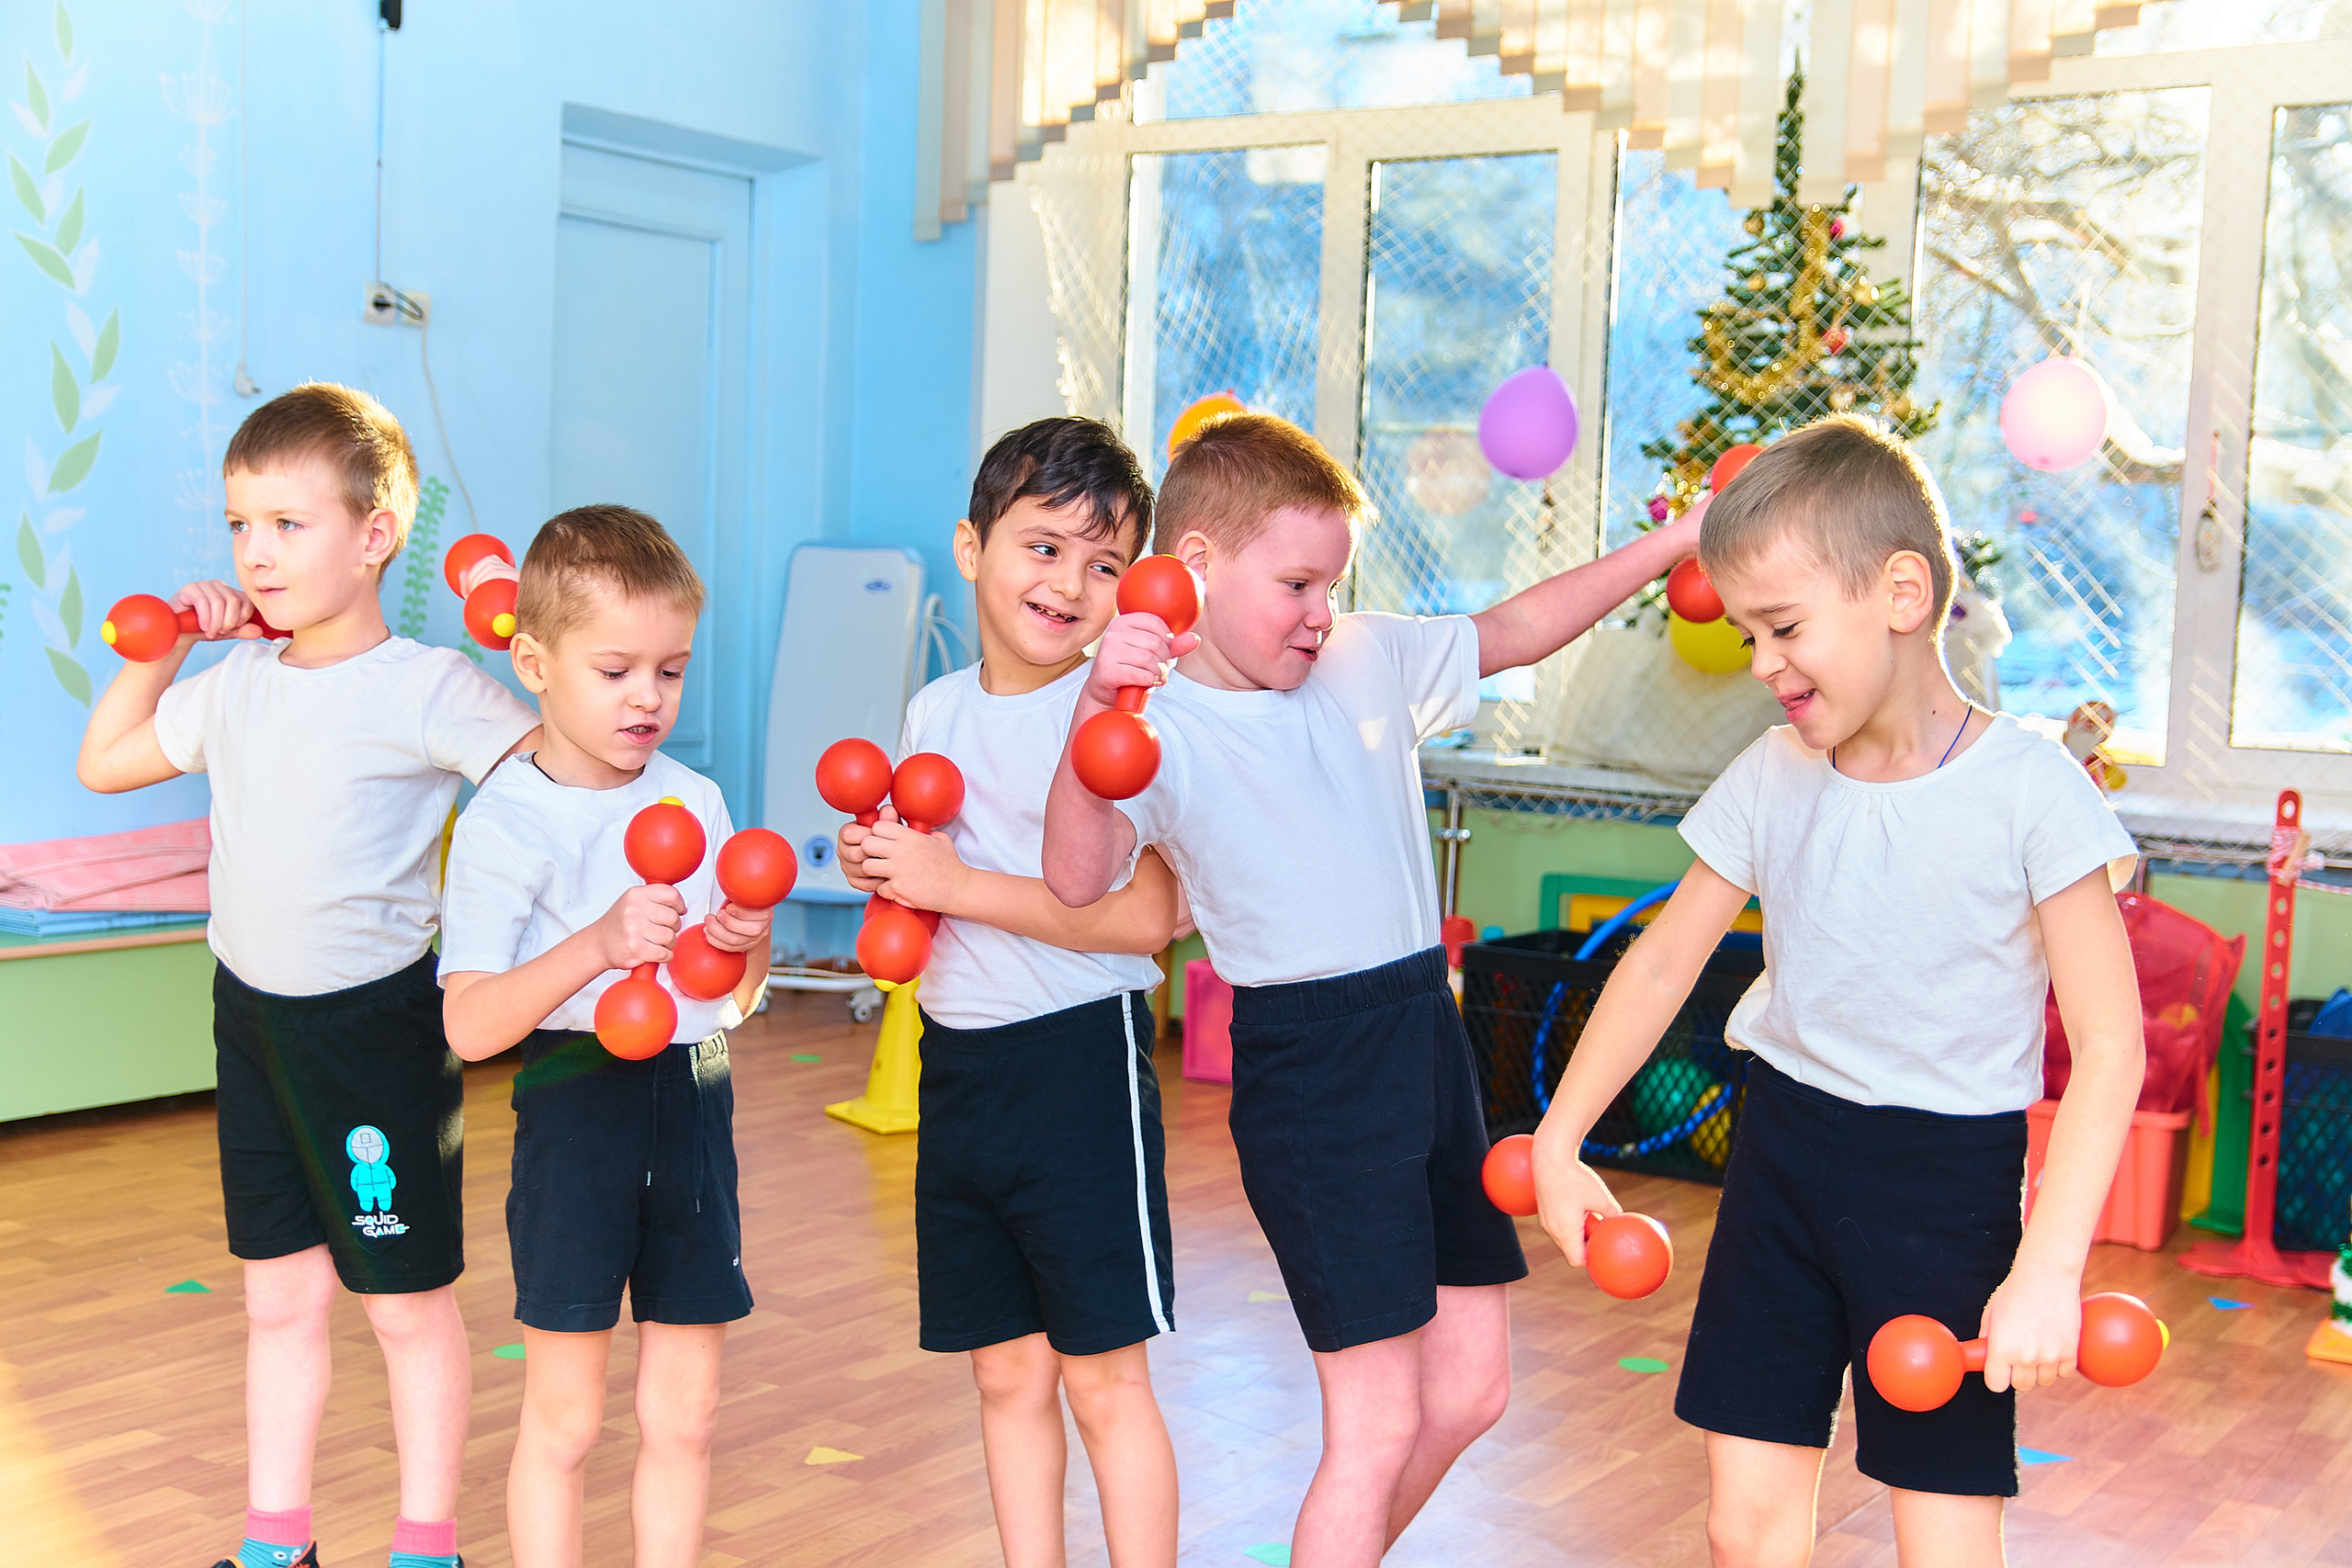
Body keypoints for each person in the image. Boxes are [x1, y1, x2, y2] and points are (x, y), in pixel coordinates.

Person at [1039, 412, 1705, 1567]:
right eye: (1296, 581)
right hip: (1314, 1074)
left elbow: (1513, 629)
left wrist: (1680, 539)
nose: (1318, 611)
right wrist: (1101, 708)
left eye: (1331, 583)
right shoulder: (1151, 723)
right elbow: (1075, 874)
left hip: (1422, 1037)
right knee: (1379, 1416)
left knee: (1473, 1389)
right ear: (1193, 565)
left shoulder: (1360, 655)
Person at [1529, 416, 2143, 1568]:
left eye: (1785, 627)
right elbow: (1662, 960)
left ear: (1900, 593)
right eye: (1750, 632)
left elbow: (2109, 1047)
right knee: (1742, 1527)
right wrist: (1560, 1136)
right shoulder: (1773, 771)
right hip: (1784, 1154)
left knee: (1945, 1541)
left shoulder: (2033, 789)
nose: (1761, 663)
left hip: (1945, 1182)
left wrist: (2045, 1270)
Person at [76, 383, 542, 1568]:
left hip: (375, 1032)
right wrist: (170, 642)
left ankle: (426, 1547)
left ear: (375, 533)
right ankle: (276, 1545)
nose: (256, 552)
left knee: (403, 1304)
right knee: (277, 1300)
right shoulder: (236, 684)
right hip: (252, 1024)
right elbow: (107, 762)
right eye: (240, 525)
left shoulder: (430, 685)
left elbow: (553, 779)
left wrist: (531, 647)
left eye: (288, 524)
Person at [839, 417, 1187, 1568]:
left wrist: (955, 882)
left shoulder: (1124, 715)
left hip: (1078, 1064)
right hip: (963, 1067)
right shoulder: (934, 711)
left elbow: (1147, 915)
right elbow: (934, 879)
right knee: (1005, 1375)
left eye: (1102, 565)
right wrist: (886, 865)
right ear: (970, 547)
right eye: (1042, 548)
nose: (1069, 585)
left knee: (1103, 1380)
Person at [438, 506, 770, 1568]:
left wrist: (742, 940)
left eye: (669, 672)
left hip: (694, 1093)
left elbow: (735, 999)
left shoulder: (698, 798)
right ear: (533, 662)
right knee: (567, 1419)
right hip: (577, 1101)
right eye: (617, 669)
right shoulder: (507, 820)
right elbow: (472, 1024)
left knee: (689, 1414)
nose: (648, 699)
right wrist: (595, 945)